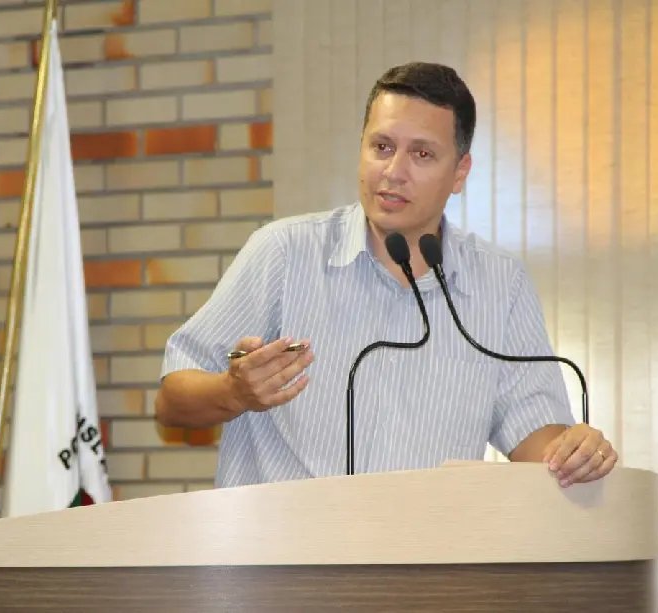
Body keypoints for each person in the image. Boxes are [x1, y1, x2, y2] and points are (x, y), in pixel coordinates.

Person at [155, 62, 618, 489]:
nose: (394, 172)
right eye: (382, 147)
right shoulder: (284, 253)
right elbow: (172, 400)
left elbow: (538, 439)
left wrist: (576, 452)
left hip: (424, 551)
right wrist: (234, 391)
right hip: (284, 550)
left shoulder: (501, 284)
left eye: (422, 154)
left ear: (460, 172)